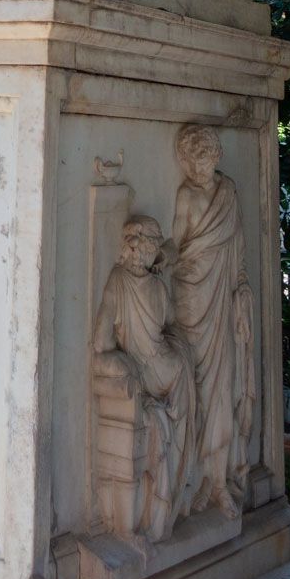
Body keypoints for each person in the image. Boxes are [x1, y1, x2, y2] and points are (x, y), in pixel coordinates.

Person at [92, 214, 197, 542]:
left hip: (163, 374)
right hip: (169, 374)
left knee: (175, 429)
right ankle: (171, 496)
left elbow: (101, 344)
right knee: (179, 436)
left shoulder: (121, 281)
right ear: (145, 247)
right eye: (155, 244)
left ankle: (167, 502)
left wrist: (125, 363)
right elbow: (167, 323)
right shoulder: (150, 286)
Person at [171, 123, 255, 518]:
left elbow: (237, 245)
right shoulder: (186, 195)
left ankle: (219, 481)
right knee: (197, 390)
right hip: (192, 298)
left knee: (222, 389)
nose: (198, 167)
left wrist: (241, 286)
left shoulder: (228, 192)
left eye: (204, 158)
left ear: (214, 157)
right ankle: (196, 479)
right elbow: (177, 245)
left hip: (222, 297)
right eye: (192, 159)